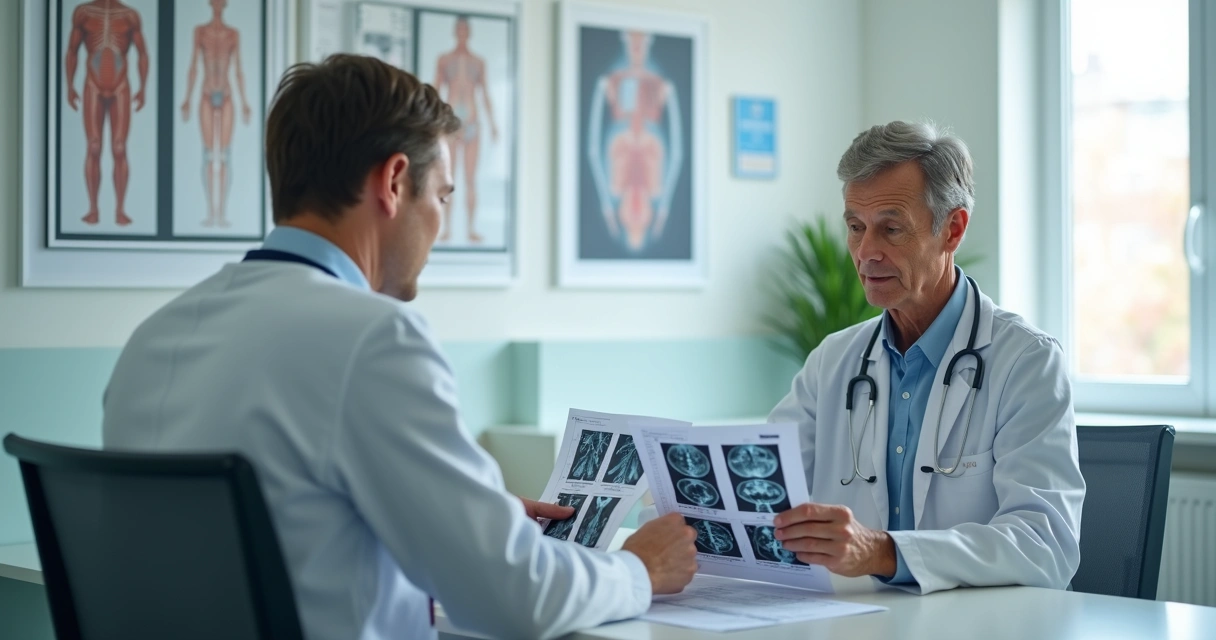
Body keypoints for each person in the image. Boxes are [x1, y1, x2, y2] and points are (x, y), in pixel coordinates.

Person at [102, 55, 697, 640]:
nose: (439, 224)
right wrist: (639, 569)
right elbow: (514, 599)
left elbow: (287, 539)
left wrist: (462, 518)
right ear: (392, 182)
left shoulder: (154, 337)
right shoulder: (372, 338)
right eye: (441, 196)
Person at [768, 121, 1085, 594]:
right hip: (863, 621)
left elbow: (1044, 543)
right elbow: (762, 484)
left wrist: (885, 552)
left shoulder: (1027, 362)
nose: (866, 253)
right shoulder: (833, 361)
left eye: (890, 229)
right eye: (856, 228)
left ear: (952, 229)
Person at [65, 0, 150, 227]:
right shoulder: (83, 13)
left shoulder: (129, 15)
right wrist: (69, 85)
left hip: (120, 85)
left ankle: (120, 209)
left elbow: (142, 53)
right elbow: (72, 50)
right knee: (93, 145)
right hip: (93, 83)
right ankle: (93, 208)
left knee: (119, 147)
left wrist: (143, 88)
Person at [180, 0, 253, 228]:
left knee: (225, 156)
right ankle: (211, 212)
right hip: (205, 93)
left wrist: (244, 102)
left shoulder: (233, 34)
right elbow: (193, 65)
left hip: (228, 94)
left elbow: (239, 68)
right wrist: (187, 98)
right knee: (209, 155)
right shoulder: (200, 32)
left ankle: (221, 213)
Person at [433, 16, 497, 244]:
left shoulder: (478, 62)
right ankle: (447, 229)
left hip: (472, 122)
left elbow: (485, 93)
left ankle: (470, 228)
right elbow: (435, 92)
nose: (462, 33)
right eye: (458, 29)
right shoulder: (445, 60)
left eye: (465, 29)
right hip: (451, 124)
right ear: (455, 31)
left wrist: (494, 125)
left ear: (469, 32)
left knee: (470, 179)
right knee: (448, 179)